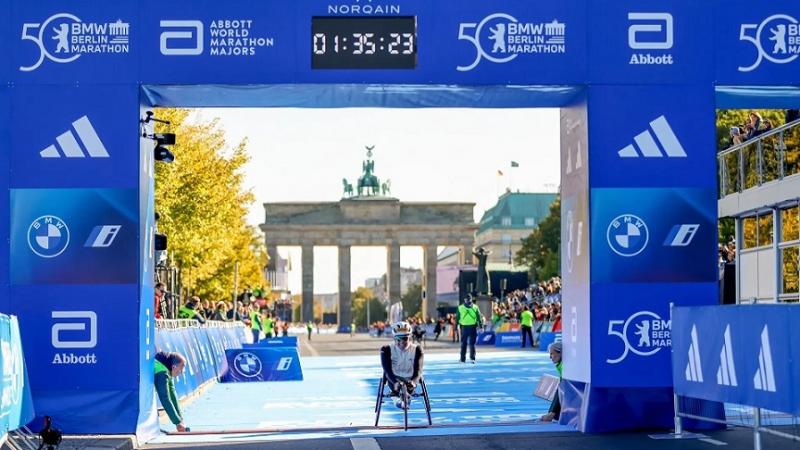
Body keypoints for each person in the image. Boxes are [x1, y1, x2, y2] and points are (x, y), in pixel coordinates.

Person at [380, 322, 424, 409]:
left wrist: (413, 382)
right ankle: (398, 399)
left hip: (410, 378)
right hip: (394, 379)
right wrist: (395, 382)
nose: (402, 342)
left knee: (409, 385)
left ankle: (406, 397)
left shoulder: (417, 349)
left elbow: (418, 370)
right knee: (395, 384)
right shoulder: (386, 349)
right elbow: (387, 370)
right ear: (394, 338)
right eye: (398, 339)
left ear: (410, 338)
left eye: (405, 338)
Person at [154, 351, 189, 432]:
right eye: (181, 369)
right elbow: (165, 398)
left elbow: (172, 395)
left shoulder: (167, 368)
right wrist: (177, 422)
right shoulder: (162, 372)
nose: (182, 373)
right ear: (174, 367)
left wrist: (180, 420)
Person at [457, 295, 483, 364]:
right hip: (472, 327)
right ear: (471, 300)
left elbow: (457, 318)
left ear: (465, 300)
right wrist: (481, 327)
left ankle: (462, 359)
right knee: (472, 344)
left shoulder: (460, 307)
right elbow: (478, 318)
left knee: (463, 344)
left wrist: (456, 326)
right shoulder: (475, 307)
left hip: (464, 327)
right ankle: (472, 358)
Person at [541, 342, 563, 422]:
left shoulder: (566, 365)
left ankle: (552, 413)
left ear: (560, 353)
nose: (550, 357)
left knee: (561, 387)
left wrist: (552, 412)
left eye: (552, 354)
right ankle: (552, 413)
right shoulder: (561, 364)